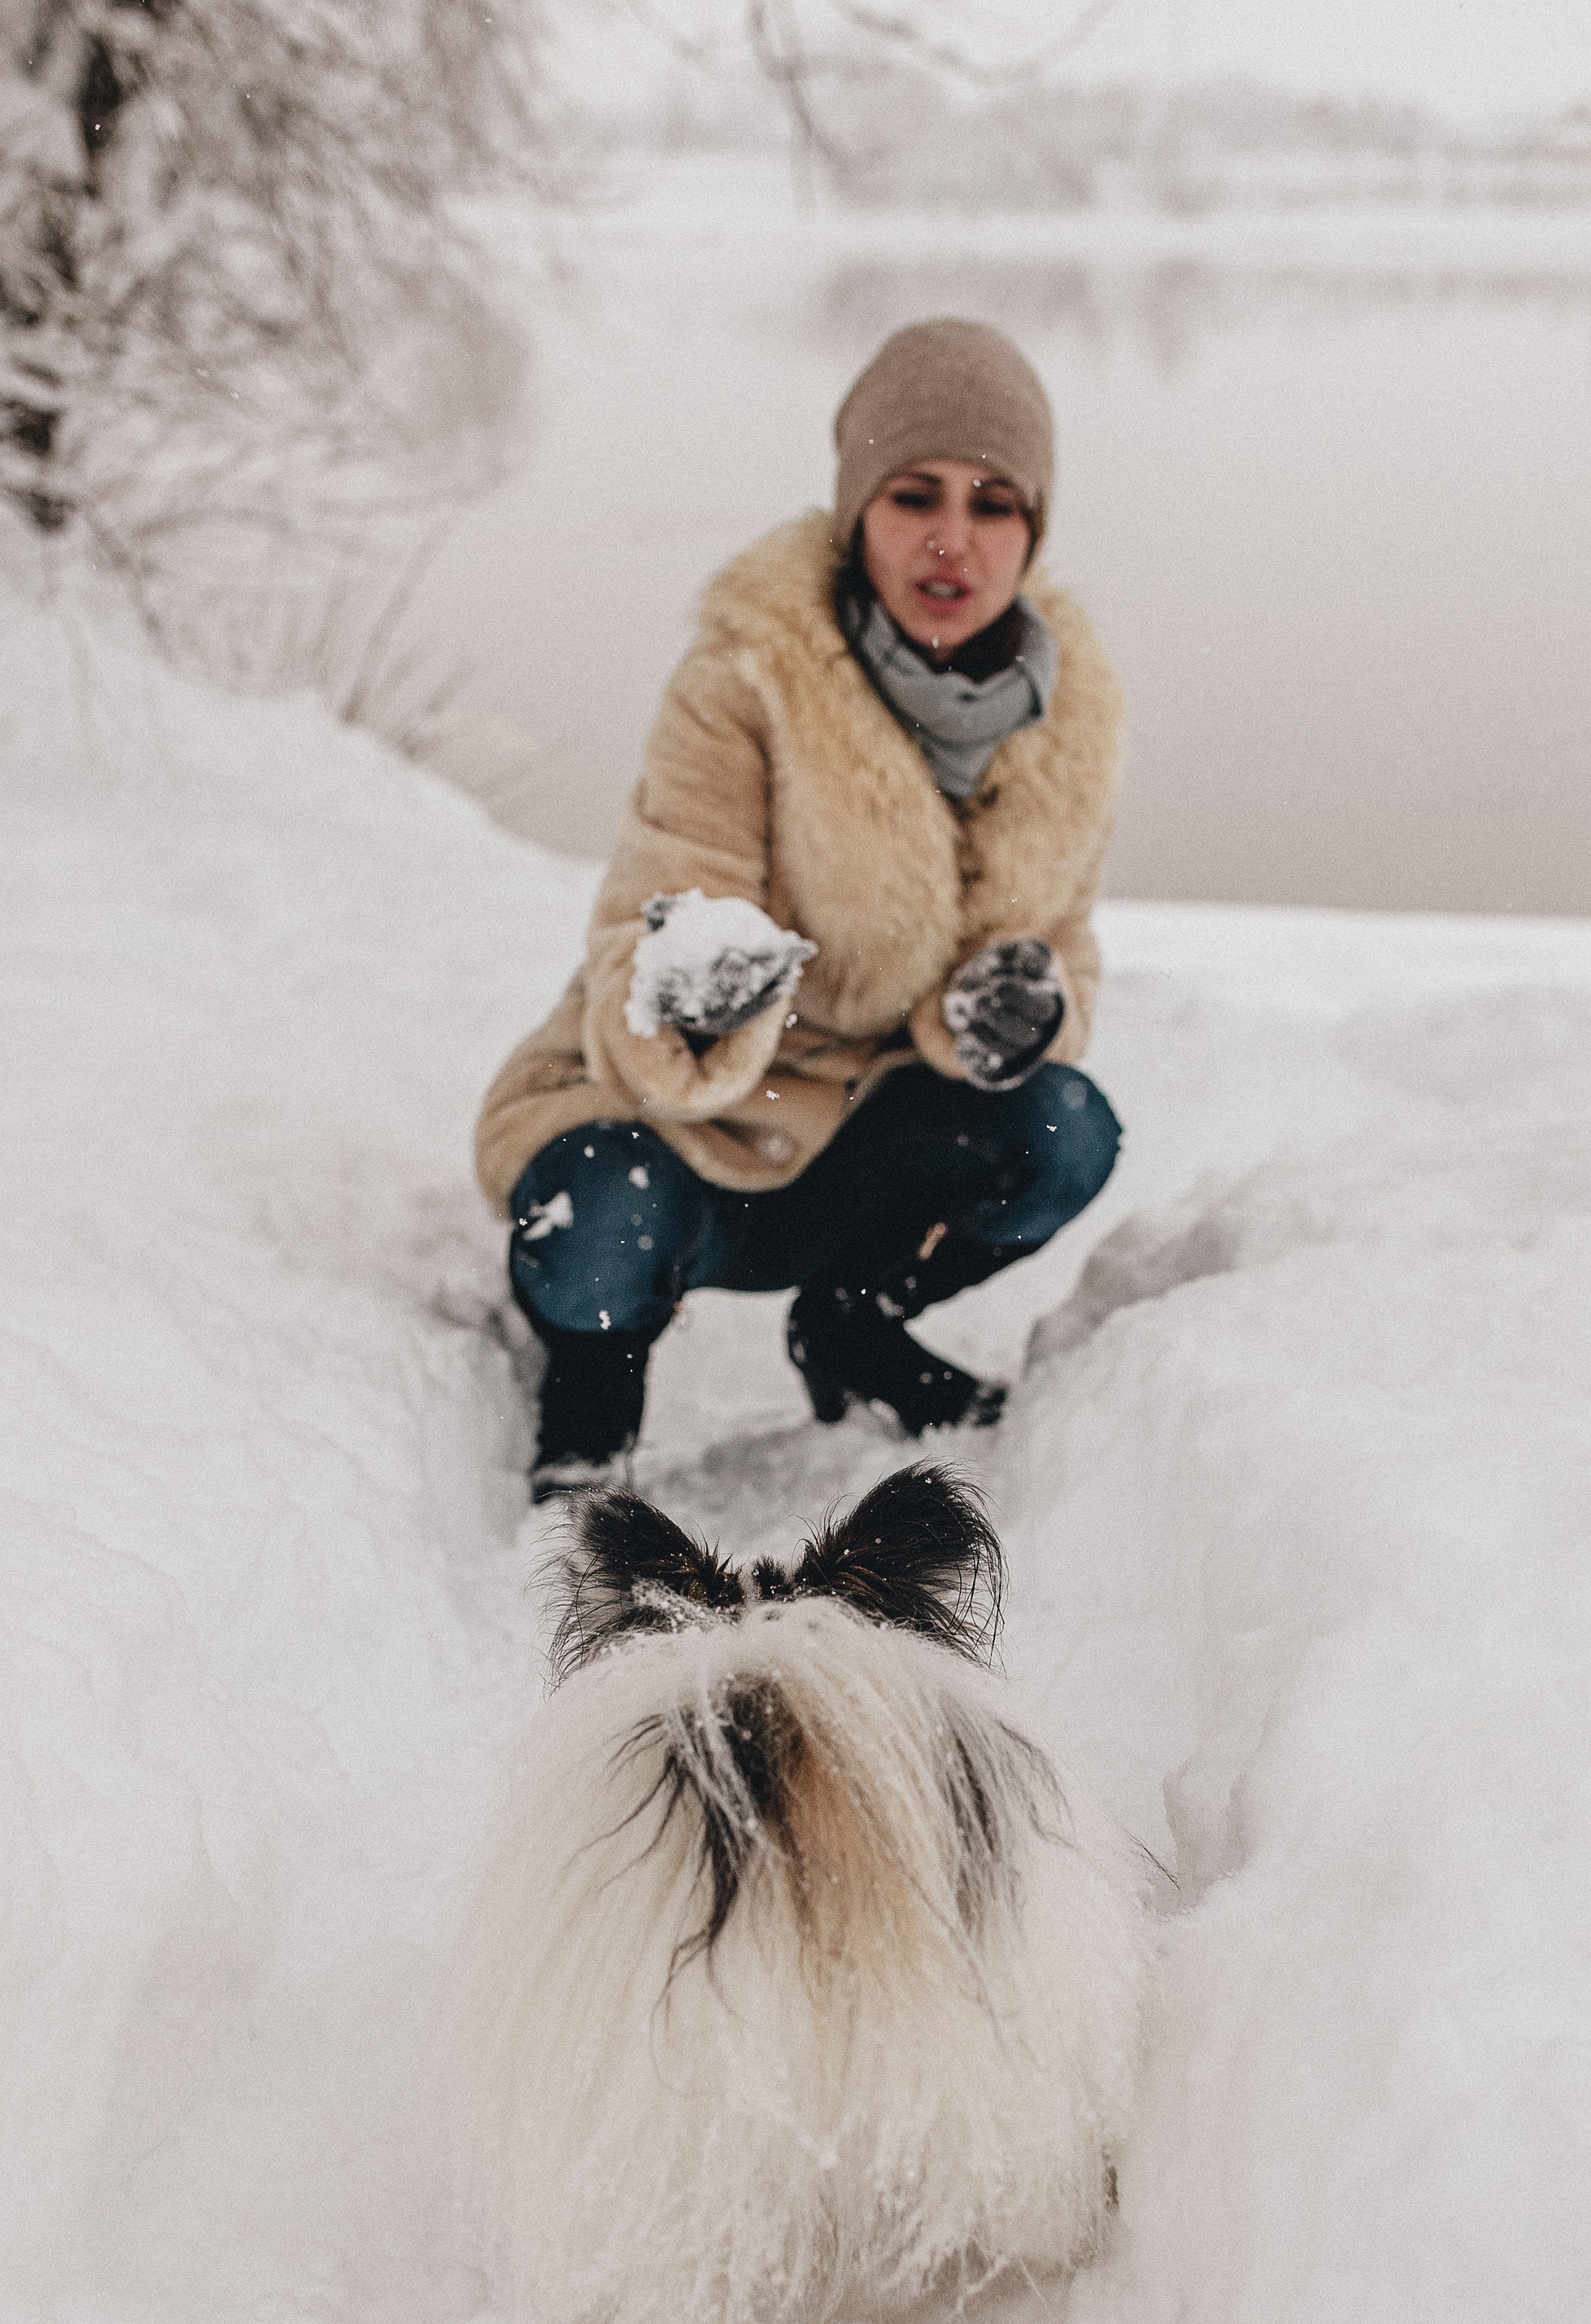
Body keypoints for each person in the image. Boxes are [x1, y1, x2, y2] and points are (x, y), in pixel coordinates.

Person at [474, 315, 1126, 1498]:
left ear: (1034, 529)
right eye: (913, 494)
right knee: (598, 1221)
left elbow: (1062, 947)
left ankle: (852, 1326)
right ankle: (588, 1398)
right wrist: (695, 987)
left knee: (1062, 1127)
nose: (951, 538)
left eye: (994, 504)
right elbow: (660, 900)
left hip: (866, 1146)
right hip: (684, 1129)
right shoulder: (746, 680)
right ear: (854, 510)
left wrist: (1022, 1012)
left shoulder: (1069, 718)